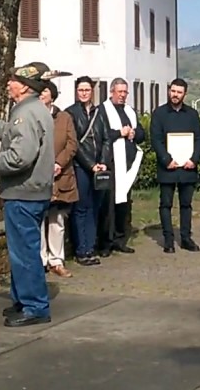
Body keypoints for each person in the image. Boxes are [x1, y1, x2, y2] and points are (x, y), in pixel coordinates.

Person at [0, 62, 55, 327]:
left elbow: (21, 156)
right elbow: (14, 133)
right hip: (32, 192)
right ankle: (23, 300)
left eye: (13, 80)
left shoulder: (26, 113)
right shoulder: (31, 110)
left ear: (24, 86)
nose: (9, 83)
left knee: (25, 252)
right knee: (22, 250)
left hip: (24, 193)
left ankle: (35, 307)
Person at [150, 78, 200, 253]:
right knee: (166, 204)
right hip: (168, 167)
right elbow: (156, 140)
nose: (175, 95)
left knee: (186, 205)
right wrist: (167, 160)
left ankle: (186, 238)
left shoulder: (192, 114)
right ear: (169, 91)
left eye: (179, 92)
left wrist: (194, 160)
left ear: (184, 94)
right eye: (173, 91)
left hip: (188, 167)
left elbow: (199, 138)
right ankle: (168, 240)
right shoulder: (159, 114)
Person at [93, 78, 144, 255]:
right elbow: (100, 134)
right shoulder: (102, 110)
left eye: (125, 92)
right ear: (111, 92)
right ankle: (105, 242)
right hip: (111, 164)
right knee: (108, 204)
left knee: (124, 203)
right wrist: (119, 133)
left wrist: (134, 133)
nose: (122, 96)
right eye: (119, 92)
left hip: (127, 165)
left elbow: (142, 134)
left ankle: (120, 239)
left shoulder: (130, 111)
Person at [66, 76, 108, 265]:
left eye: (87, 90)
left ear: (92, 91)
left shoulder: (100, 113)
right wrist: (90, 164)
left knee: (95, 207)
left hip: (99, 167)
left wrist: (103, 162)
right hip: (81, 167)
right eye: (80, 90)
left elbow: (107, 138)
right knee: (81, 208)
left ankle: (90, 247)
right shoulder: (71, 113)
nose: (84, 93)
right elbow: (75, 143)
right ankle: (81, 250)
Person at [38, 80, 78, 278]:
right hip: (38, 175)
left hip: (60, 176)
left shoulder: (64, 117)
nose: (41, 94)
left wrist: (59, 163)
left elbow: (72, 144)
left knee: (57, 220)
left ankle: (56, 260)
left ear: (52, 95)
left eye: (44, 91)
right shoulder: (33, 115)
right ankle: (41, 259)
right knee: (39, 219)